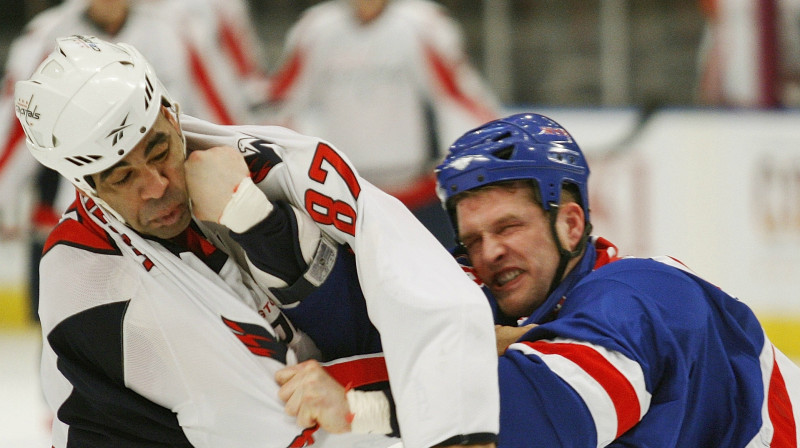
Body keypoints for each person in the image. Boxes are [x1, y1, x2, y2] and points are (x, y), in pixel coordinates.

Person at [15, 35, 498, 448]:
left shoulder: (264, 163)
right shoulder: (103, 285)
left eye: (160, 149)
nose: (157, 185)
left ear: (171, 112)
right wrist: (405, 403)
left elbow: (404, 305)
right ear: (87, 190)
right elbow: (297, 428)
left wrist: (255, 218)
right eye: (123, 178)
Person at [279, 112, 800, 447]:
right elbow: (370, 322)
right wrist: (256, 225)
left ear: (571, 224)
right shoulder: (515, 301)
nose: (489, 252)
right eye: (474, 239)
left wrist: (358, 408)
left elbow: (550, 416)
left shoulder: (640, 296)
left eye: (508, 227)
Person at [0, 0, 264, 322]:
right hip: (90, 225)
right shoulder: (44, 38)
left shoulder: (178, 30)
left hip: (178, 208)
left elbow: (221, 111)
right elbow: (17, 133)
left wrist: (242, 171)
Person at [266, 0, 501, 247]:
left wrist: (490, 146)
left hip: (417, 193)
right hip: (344, 196)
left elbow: (458, 94)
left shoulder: (421, 25)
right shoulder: (316, 29)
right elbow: (283, 100)